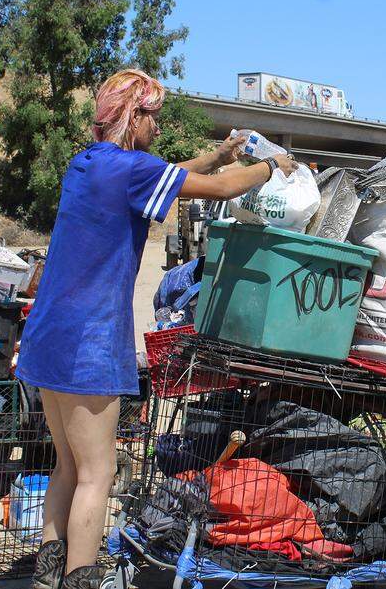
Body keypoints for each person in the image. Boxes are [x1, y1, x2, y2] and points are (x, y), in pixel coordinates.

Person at [15, 69, 298, 589]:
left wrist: (217, 155)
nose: (159, 128)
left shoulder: (89, 163)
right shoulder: (131, 169)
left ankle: (45, 577)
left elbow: (169, 175)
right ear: (134, 116)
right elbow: (215, 189)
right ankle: (80, 580)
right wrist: (267, 168)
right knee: (97, 476)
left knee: (66, 468)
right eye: (155, 118)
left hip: (46, 336)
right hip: (89, 342)